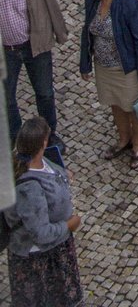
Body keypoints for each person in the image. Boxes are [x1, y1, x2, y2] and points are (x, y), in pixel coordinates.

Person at [4, 116, 85, 307]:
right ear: (43, 142)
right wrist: (68, 225)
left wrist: (63, 174)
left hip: (55, 249)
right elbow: (41, 233)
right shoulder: (29, 190)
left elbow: (49, 170)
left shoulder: (34, 159)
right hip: (41, 257)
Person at [79, 0, 138, 168]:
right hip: (104, 66)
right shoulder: (91, 2)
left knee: (134, 108)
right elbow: (87, 33)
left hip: (126, 68)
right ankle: (123, 140)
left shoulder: (130, 5)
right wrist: (85, 64)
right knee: (116, 104)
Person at [0, 0, 67, 144]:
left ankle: (49, 136)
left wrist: (59, 32)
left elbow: (48, 1)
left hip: (34, 44)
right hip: (5, 51)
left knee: (45, 93)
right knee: (7, 99)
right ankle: (15, 139)